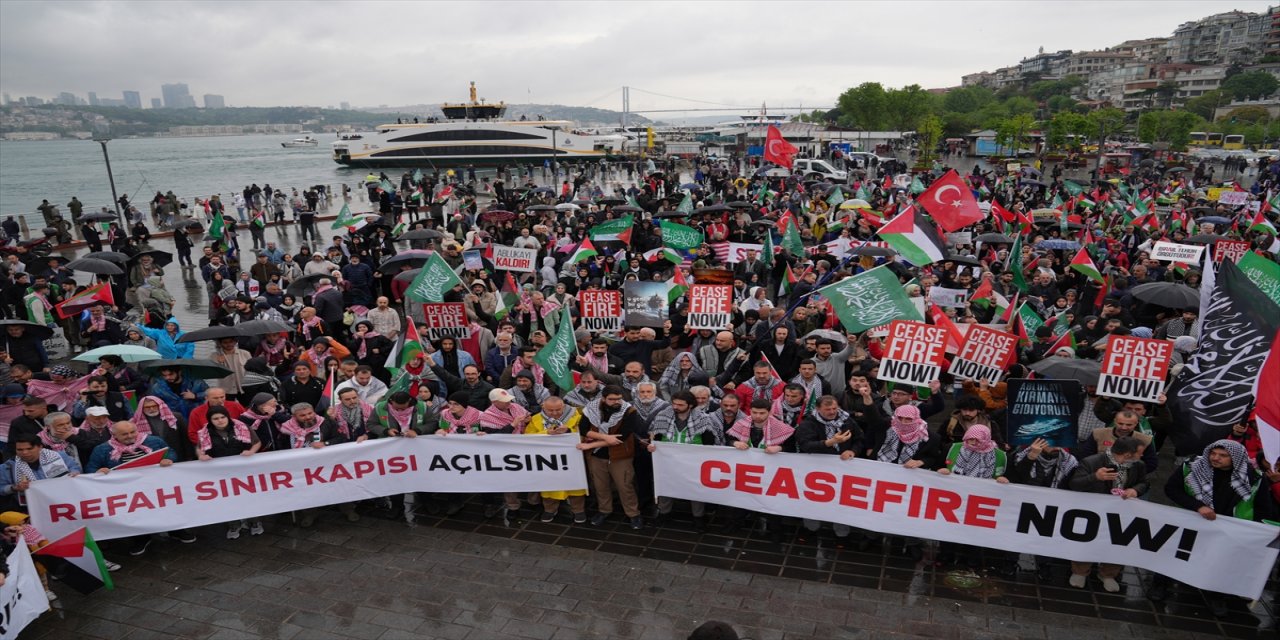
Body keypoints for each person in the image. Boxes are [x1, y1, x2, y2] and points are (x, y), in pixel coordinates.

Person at [1153, 439, 1277, 614]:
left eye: (1223, 455)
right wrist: (1198, 507)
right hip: (1192, 523)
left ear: (1235, 458)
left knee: (1219, 562)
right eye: (1213, 453)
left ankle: (1215, 596)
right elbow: (1172, 489)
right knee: (1175, 554)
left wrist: (1258, 532)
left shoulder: (1254, 477)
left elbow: (1262, 507)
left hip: (1227, 530)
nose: (1215, 458)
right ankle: (1160, 584)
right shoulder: (1192, 468)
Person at [86, 421, 195, 555]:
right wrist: (99, 471)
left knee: (167, 508)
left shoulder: (153, 441)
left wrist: (169, 459)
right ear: (114, 435)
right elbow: (91, 468)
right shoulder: (101, 449)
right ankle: (141, 538)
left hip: (155, 485)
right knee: (135, 515)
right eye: (124, 434)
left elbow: (170, 452)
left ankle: (176, 531)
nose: (130, 436)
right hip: (126, 491)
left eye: (133, 432)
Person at [1068, 436, 1149, 593]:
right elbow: (1074, 484)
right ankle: (1080, 571)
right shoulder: (1091, 462)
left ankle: (1108, 574)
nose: (1142, 456)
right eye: (1139, 453)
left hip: (1121, 513)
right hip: (1093, 512)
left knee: (1117, 541)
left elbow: (1144, 482)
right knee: (1087, 539)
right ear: (1127, 454)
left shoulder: (1138, 465)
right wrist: (1095, 477)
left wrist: (1135, 490)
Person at [795, 395, 863, 546]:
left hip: (843, 471)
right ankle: (811, 529)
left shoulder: (847, 421)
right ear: (818, 409)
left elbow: (859, 439)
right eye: (828, 409)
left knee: (841, 502)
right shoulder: (808, 424)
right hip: (817, 472)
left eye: (834, 408)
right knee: (813, 502)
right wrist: (829, 443)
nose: (832, 412)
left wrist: (853, 451)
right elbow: (805, 445)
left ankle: (841, 534)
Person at [280, 402, 362, 527]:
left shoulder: (326, 422)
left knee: (339, 486)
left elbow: (341, 438)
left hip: (329, 464)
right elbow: (282, 446)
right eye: (302, 415)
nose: (308, 417)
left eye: (310, 413)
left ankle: (348, 509)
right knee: (306, 491)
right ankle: (310, 513)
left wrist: (326, 444)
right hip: (302, 467)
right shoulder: (286, 428)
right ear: (294, 417)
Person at [579, 385, 644, 530]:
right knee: (600, 485)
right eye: (612, 399)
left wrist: (590, 445)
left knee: (625, 485)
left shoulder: (629, 411)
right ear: (603, 399)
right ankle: (604, 510)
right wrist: (604, 437)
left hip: (620, 454)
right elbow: (583, 429)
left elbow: (620, 438)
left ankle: (633, 514)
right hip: (597, 455)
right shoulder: (591, 408)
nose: (616, 402)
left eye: (619, 399)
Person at [194, 406, 264, 538]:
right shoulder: (204, 433)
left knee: (249, 497)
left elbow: (256, 442)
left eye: (222, 417)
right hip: (221, 473)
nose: (220, 421)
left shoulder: (242, 427)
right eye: (216, 418)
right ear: (210, 420)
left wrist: (251, 452)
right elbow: (199, 448)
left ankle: (255, 522)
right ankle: (234, 524)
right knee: (228, 499)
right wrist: (201, 456)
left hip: (244, 471)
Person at [524, 397, 588, 523]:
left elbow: (585, 435)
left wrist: (569, 431)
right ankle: (550, 509)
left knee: (575, 485)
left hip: (571, 459)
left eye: (558, 410)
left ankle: (578, 510)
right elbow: (527, 438)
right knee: (549, 485)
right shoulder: (536, 419)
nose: (554, 413)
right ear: (543, 407)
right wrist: (545, 433)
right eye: (550, 410)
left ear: (563, 406)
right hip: (548, 460)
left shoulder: (576, 416)